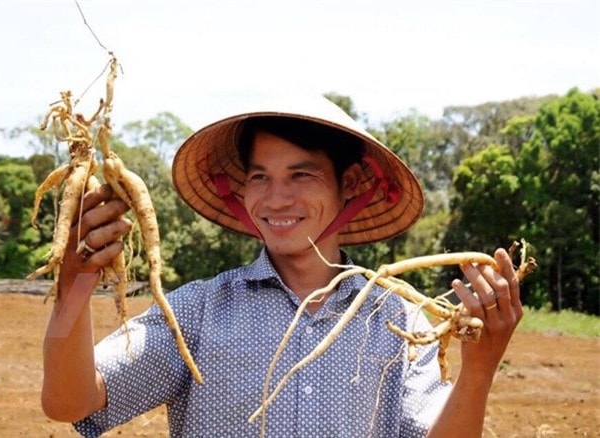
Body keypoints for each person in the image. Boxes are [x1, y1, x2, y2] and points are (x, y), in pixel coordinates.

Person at [41, 96, 522, 437]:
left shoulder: (399, 323)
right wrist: (73, 290)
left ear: (350, 183)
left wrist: (479, 369)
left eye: (301, 174)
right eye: (260, 177)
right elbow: (70, 403)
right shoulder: (196, 313)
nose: (277, 198)